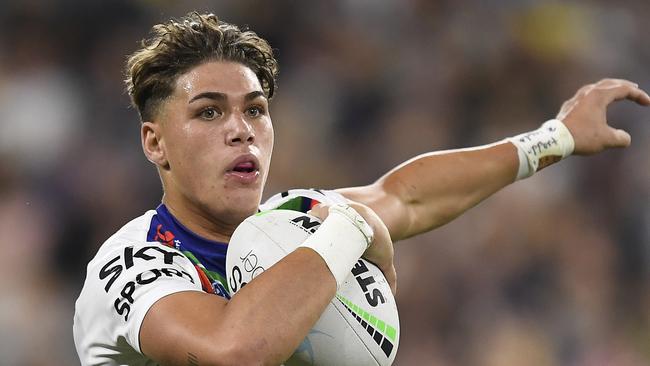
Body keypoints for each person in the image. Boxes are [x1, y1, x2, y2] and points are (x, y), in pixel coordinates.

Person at [73, 12, 650, 366]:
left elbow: (408, 196)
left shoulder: (294, 224)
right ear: (155, 144)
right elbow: (233, 351)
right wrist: (350, 226)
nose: (240, 130)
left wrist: (555, 138)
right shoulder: (134, 263)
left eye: (255, 110)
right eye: (208, 113)